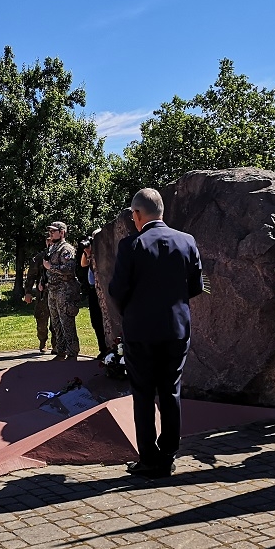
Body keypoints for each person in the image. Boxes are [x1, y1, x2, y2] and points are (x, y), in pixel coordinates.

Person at [109, 188, 204, 478]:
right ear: (161, 211)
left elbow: (117, 290)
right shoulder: (186, 241)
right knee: (170, 391)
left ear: (137, 215)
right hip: (175, 329)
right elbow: (197, 286)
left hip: (141, 331)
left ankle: (148, 457)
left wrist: (133, 310)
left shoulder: (130, 245)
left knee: (143, 394)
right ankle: (168, 454)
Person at [44, 221, 81, 361]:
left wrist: (50, 267)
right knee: (55, 322)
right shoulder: (53, 248)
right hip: (52, 290)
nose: (51, 233)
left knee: (66, 321)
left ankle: (72, 353)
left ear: (62, 232)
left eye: (54, 231)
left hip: (64, 290)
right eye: (50, 231)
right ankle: (60, 351)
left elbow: (69, 269)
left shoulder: (66, 249)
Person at [79, 233, 109, 359]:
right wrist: (87, 252)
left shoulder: (106, 250)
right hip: (93, 290)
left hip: (104, 290)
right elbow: (83, 264)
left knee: (106, 320)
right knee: (96, 321)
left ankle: (110, 349)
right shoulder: (91, 252)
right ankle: (102, 349)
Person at [24, 236, 55, 353]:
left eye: (52, 240)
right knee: (41, 319)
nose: (50, 242)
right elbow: (30, 277)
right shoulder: (39, 258)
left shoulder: (61, 255)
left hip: (57, 292)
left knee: (56, 320)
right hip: (43, 294)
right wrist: (28, 293)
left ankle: (56, 344)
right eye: (48, 240)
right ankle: (43, 341)